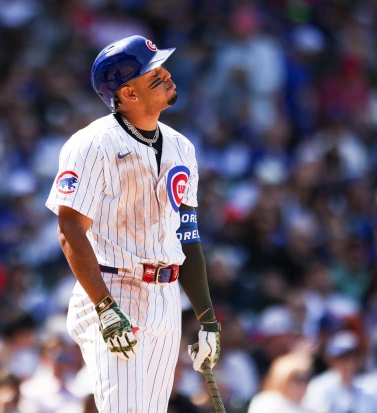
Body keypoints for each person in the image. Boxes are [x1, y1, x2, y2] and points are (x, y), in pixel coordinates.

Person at [45, 35, 220, 412]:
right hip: (114, 287)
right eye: (154, 74)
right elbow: (69, 229)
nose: (167, 75)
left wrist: (207, 320)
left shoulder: (181, 147)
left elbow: (187, 235)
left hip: (165, 296)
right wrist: (105, 307)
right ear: (129, 93)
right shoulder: (91, 143)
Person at [247, 351, 314, 413]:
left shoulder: (308, 405)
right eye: (298, 378)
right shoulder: (265, 402)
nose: (303, 384)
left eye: (306, 378)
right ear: (282, 378)